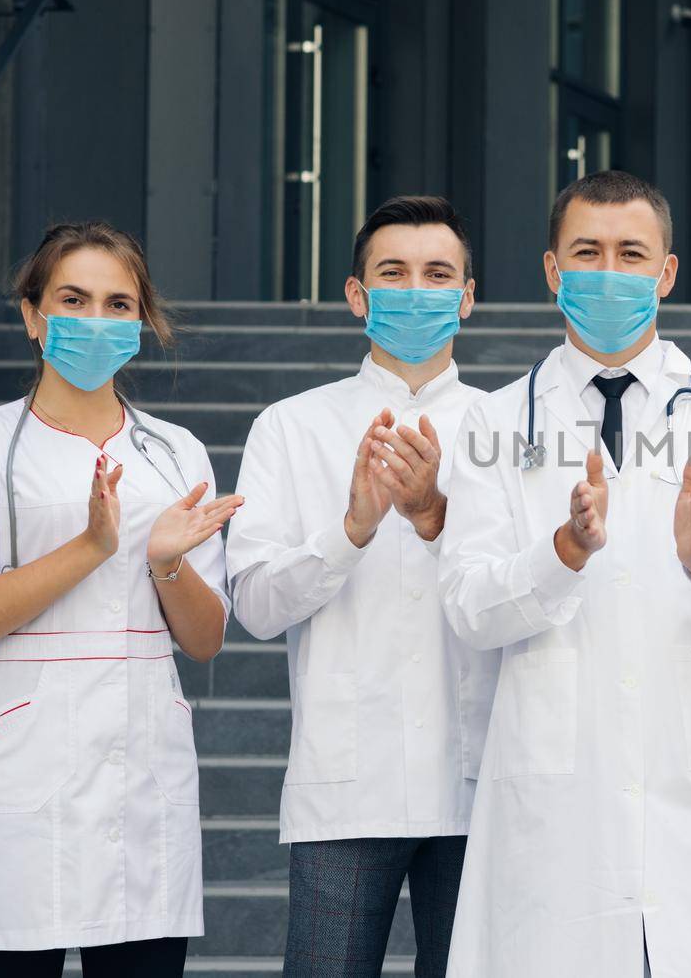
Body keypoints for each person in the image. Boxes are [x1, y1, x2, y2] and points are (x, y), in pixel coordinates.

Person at [438, 170, 691, 977]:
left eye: (631, 253)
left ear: (667, 272)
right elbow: (469, 606)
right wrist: (562, 554)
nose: (609, 272)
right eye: (587, 252)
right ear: (551, 270)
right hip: (560, 813)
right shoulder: (496, 421)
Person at [0, 221, 240, 977]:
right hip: (21, 772)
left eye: (118, 303)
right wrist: (89, 549)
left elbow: (204, 640)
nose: (96, 320)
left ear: (141, 322)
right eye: (74, 298)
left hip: (142, 776)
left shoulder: (175, 455)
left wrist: (165, 565)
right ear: (33, 315)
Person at [225, 195, 499, 977]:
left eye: (437, 274)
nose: (416, 290)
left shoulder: (509, 428)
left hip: (482, 781)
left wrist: (436, 518)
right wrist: (349, 529)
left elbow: (536, 597)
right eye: (394, 273)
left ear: (468, 298)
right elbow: (253, 606)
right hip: (345, 786)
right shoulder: (291, 426)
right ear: (357, 294)